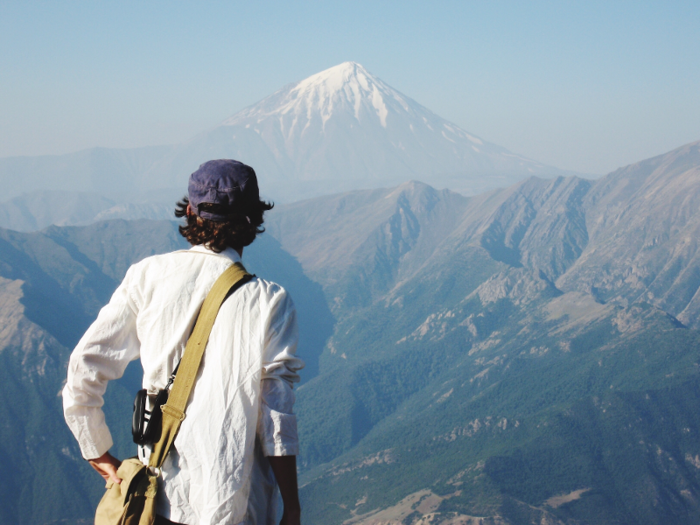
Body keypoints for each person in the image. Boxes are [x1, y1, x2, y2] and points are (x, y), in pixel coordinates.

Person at [63, 159, 304, 525]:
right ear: (254, 218)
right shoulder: (271, 302)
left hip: (157, 502)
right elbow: (275, 418)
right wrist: (292, 505)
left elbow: (85, 367)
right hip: (235, 506)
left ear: (190, 212)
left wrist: (97, 451)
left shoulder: (147, 276)